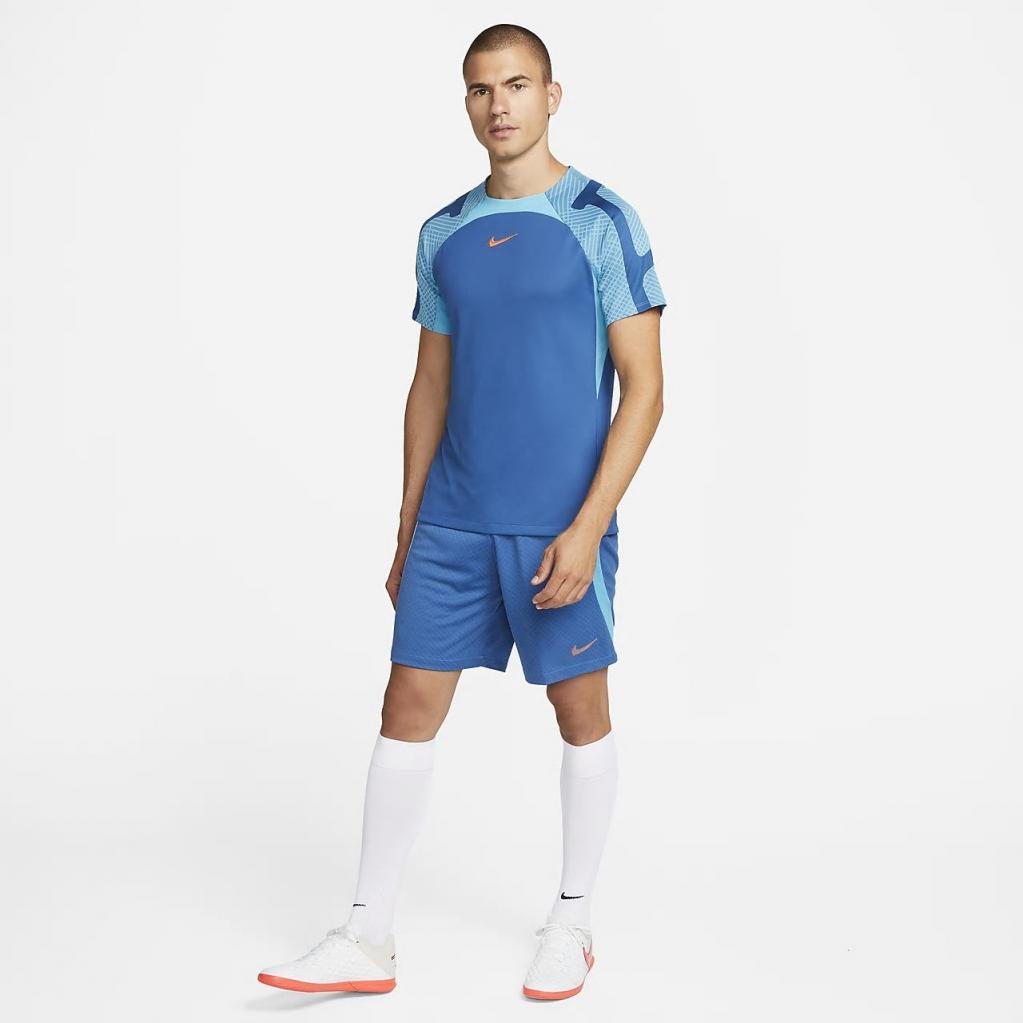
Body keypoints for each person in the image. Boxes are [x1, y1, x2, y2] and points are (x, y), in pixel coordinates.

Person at [257, 22, 666, 1001]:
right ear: (467, 104)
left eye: (517, 85)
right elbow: (429, 384)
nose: (500, 106)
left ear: (552, 96)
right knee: (405, 704)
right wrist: (408, 526)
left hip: (558, 520)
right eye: (482, 89)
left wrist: (587, 526)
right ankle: (368, 933)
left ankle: (573, 918)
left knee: (579, 710)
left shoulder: (601, 220)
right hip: (453, 516)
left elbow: (645, 389)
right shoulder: (442, 232)